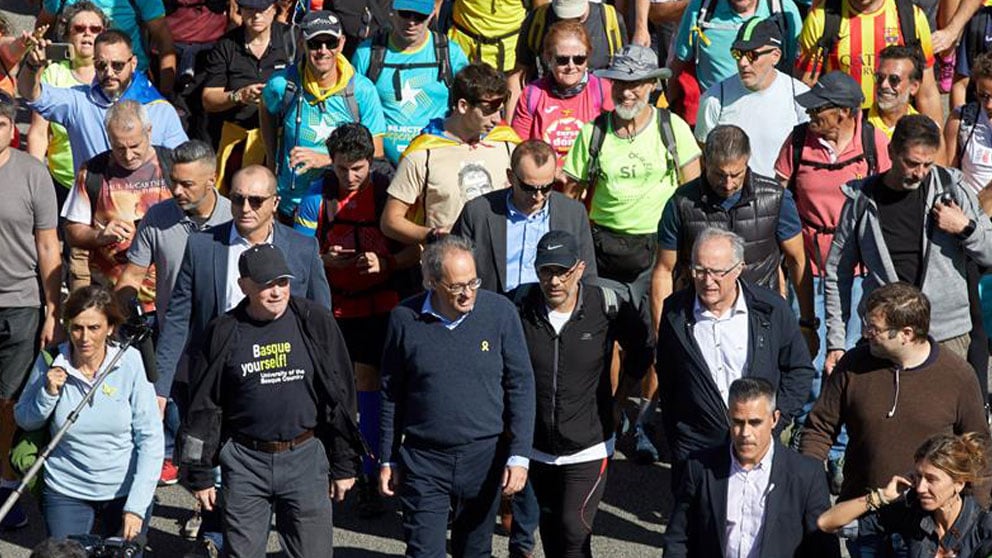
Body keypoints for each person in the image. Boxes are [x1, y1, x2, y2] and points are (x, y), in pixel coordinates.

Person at [179, 243, 365, 558]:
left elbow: (341, 396)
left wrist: (344, 463)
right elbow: (203, 406)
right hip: (245, 460)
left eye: (283, 282)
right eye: (266, 284)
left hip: (305, 455)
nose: (277, 292)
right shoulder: (224, 331)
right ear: (244, 286)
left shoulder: (314, 321)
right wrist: (199, 473)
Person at [562, 43, 700, 465]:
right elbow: (569, 196)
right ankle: (606, 418)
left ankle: (634, 418)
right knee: (599, 343)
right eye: (619, 84)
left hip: (656, 253)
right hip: (603, 249)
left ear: (652, 87)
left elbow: (692, 194)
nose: (626, 93)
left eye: (635, 84)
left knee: (649, 345)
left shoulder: (671, 128)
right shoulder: (594, 132)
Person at [801, 282, 989, 556]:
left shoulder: (957, 375)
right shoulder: (853, 366)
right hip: (866, 516)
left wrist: (968, 523)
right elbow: (819, 429)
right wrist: (807, 485)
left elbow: (980, 452)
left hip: (926, 527)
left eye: (875, 329)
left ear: (906, 334)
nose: (866, 334)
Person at [379, 235, 536, 558]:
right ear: (432, 282)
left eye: (473, 282)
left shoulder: (500, 313)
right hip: (424, 459)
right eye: (456, 286)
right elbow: (390, 392)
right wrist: (388, 456)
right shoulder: (404, 319)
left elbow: (520, 384)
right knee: (424, 551)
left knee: (474, 550)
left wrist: (519, 455)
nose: (468, 293)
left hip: (483, 457)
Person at [292, 123, 418, 516]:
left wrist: (387, 263)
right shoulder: (317, 197)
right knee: (353, 388)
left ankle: (389, 465)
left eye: (359, 168)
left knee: (395, 389)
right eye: (343, 168)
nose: (350, 177)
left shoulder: (388, 193)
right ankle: (362, 471)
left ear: (372, 161)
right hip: (340, 308)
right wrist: (323, 259)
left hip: (387, 304)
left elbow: (417, 251)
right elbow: (299, 253)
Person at [515, 230, 653, 558]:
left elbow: (642, 349)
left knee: (574, 529)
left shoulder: (605, 305)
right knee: (550, 529)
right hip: (537, 446)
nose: (554, 281)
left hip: (589, 445)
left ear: (579, 269)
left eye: (563, 271)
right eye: (546, 270)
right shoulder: (518, 306)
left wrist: (620, 401)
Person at [824, 114, 992, 371]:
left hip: (947, 334)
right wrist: (836, 340)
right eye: (912, 163)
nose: (920, 174)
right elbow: (837, 272)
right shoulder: (862, 200)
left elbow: (989, 253)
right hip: (886, 337)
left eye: (927, 164)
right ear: (891, 152)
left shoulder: (952, 188)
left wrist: (964, 228)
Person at [115, 139, 232, 487]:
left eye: (187, 184)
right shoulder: (157, 217)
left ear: (212, 180)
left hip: (225, 350)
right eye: (173, 181)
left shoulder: (235, 217)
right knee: (189, 438)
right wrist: (127, 306)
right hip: (176, 351)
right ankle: (202, 504)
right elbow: (131, 277)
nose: (176, 191)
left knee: (226, 440)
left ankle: (219, 517)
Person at [656, 228, 814, 475]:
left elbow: (799, 369)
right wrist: (678, 436)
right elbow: (668, 378)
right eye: (699, 271)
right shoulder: (674, 312)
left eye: (718, 272)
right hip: (696, 447)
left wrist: (774, 419)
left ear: (739, 268)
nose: (708, 281)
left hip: (758, 444)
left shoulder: (771, 310)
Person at [14, 285, 163, 542]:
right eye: (77, 327)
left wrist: (136, 507)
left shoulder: (130, 363)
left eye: (94, 328)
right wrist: (48, 393)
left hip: (123, 491)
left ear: (111, 328)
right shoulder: (51, 361)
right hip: (66, 489)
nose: (84, 338)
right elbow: (25, 419)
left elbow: (150, 438)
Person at [653, 125, 815, 354]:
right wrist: (664, 334)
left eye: (736, 175)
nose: (728, 184)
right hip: (700, 320)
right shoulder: (681, 203)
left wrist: (807, 323)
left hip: (761, 320)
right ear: (705, 162)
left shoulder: (776, 198)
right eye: (719, 174)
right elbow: (663, 270)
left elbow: (798, 260)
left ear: (747, 161)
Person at [663, 377, 837, 558]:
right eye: (737, 422)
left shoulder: (806, 475)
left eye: (755, 423)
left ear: (774, 419)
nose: (745, 433)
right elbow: (678, 538)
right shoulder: (700, 468)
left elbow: (823, 548)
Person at [0, 92, 62, 530]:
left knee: (8, 403)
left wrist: (53, 309)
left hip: (20, 303)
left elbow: (47, 245)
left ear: (12, 129)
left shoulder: (33, 173)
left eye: (1, 123)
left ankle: (5, 487)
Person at [260, 9, 386, 221]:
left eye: (331, 43)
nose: (323, 51)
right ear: (302, 43)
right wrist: (272, 159)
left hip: (340, 207)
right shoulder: (282, 85)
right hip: (292, 202)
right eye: (315, 44)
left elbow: (377, 152)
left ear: (342, 43)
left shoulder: (362, 90)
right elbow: (265, 107)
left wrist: (326, 160)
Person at [380, 62, 521, 246]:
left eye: (500, 110)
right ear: (463, 106)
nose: (496, 119)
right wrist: (434, 236)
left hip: (498, 258)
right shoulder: (424, 153)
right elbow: (390, 221)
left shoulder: (507, 143)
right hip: (446, 264)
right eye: (488, 110)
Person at [19, 29, 187, 175]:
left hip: (147, 208)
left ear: (133, 63)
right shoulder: (78, 102)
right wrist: (32, 65)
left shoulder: (160, 110)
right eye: (101, 65)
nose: (109, 73)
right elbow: (30, 94)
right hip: (94, 205)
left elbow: (182, 163)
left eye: (118, 65)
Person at [62, 100, 173, 311]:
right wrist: (99, 237)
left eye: (134, 146)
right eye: (119, 148)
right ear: (108, 138)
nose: (128, 156)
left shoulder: (172, 165)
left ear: (149, 132)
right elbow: (71, 231)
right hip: (110, 301)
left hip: (167, 298)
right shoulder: (93, 172)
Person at [453, 139, 598, 294]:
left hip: (550, 309)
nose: (538, 196)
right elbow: (454, 268)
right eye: (528, 188)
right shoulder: (478, 212)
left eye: (547, 187)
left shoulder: (573, 213)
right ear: (511, 177)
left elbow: (587, 276)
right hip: (496, 306)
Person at [817, 432, 992, 558]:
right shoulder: (911, 514)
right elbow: (827, 523)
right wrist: (880, 497)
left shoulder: (984, 530)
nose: (921, 487)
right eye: (918, 477)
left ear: (959, 483)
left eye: (932, 479)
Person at [350, 0, 470, 166]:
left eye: (420, 16)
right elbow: (350, 107)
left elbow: (469, 107)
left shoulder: (451, 54)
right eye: (405, 14)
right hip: (381, 166)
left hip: (435, 162)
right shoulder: (367, 54)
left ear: (432, 14)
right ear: (392, 11)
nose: (411, 22)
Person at [693, 16, 809, 177]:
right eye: (738, 54)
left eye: (752, 55)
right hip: (731, 197)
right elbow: (703, 156)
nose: (743, 63)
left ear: (775, 56)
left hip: (781, 197)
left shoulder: (800, 95)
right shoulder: (714, 99)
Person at [795, 0, 941, 126]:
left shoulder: (911, 18)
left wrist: (937, 146)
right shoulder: (820, 19)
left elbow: (927, 93)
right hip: (845, 138)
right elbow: (805, 88)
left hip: (898, 138)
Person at [202, 0, 292, 192]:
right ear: (240, 10)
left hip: (283, 138)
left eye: (263, 9)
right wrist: (238, 96)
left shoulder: (291, 38)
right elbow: (208, 98)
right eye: (250, 9)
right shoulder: (226, 45)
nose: (257, 15)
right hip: (238, 139)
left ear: (275, 9)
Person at [25, 1, 106, 209]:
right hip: (63, 181)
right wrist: (34, 180)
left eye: (95, 29)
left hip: (109, 182)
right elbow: (39, 133)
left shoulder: (115, 74)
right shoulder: (53, 74)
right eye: (79, 29)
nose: (87, 34)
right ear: (67, 35)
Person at [510, 21, 614, 177]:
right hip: (544, 185)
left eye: (579, 59)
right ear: (548, 57)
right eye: (562, 60)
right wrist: (553, 172)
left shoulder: (603, 90)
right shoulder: (532, 94)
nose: (571, 66)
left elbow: (616, 144)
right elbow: (519, 148)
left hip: (591, 184)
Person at [670, 0, 802, 123]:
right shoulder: (700, 8)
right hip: (717, 116)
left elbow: (796, 71)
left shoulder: (783, 9)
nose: (743, 62)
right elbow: (679, 63)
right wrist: (667, 109)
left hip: (771, 115)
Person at [35, 0, 178, 95]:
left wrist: (165, 94)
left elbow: (164, 40)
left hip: (128, 81)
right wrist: (41, 70)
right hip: (73, 77)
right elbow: (43, 28)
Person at [510, 0, 627, 90]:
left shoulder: (610, 21)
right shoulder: (538, 20)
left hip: (598, 109)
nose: (569, 21)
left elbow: (624, 77)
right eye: (562, 17)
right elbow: (517, 75)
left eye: (577, 17)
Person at [944, 51, 992, 196]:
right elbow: (947, 176)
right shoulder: (960, 119)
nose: (989, 105)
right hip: (971, 212)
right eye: (983, 96)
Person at [866, 45, 925, 139]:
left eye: (894, 79)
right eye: (880, 78)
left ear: (913, 87)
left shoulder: (924, 132)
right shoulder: (855, 126)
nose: (883, 85)